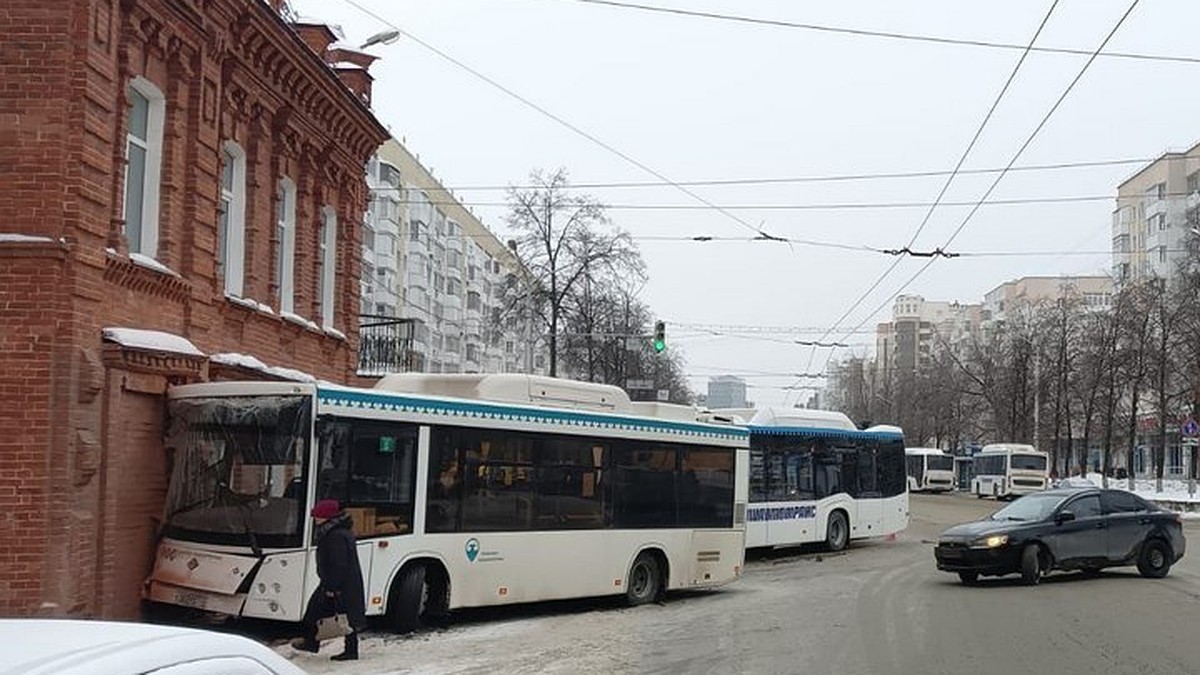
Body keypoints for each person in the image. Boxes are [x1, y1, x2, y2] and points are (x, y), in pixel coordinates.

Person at [291, 499, 366, 661]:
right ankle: (318, 643)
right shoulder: (338, 532)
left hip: (338, 584)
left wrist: (332, 587)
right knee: (342, 616)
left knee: (322, 614)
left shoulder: (335, 535)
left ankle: (318, 644)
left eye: (318, 516)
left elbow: (338, 563)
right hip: (342, 583)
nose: (315, 519)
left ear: (328, 517)